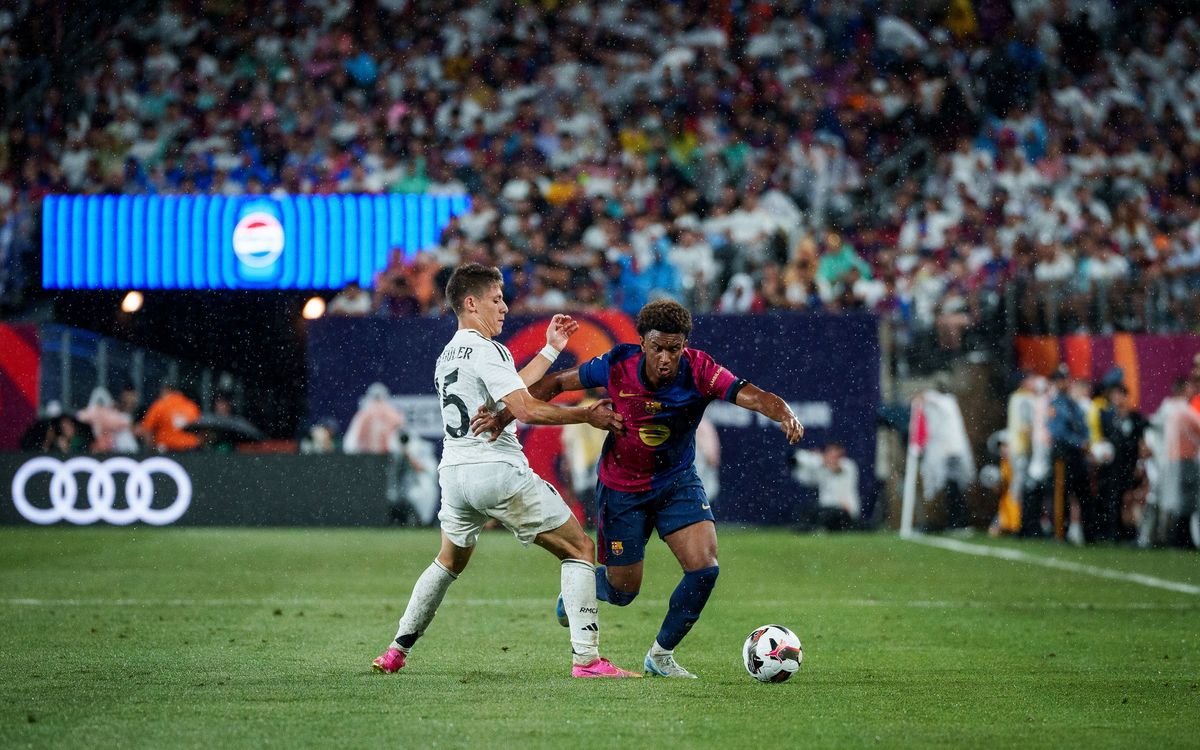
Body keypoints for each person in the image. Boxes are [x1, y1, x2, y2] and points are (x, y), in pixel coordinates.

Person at [473, 299, 804, 678]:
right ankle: (578, 591)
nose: (666, 358)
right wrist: (504, 415)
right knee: (623, 591)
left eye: (674, 349)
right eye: (658, 348)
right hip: (621, 489)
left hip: (677, 482)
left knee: (704, 569)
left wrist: (785, 414)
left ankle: (661, 655)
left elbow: (752, 394)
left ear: (684, 346)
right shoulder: (618, 364)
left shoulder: (700, 370)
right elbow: (558, 382)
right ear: (643, 343)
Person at [372, 263, 637, 679]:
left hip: (456, 475)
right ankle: (587, 660)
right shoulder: (485, 348)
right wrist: (586, 414)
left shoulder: (449, 354)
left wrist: (550, 349)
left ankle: (396, 650)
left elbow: (511, 387)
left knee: (447, 562)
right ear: (471, 302)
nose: (505, 307)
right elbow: (525, 407)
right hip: (497, 468)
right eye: (496, 299)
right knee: (580, 549)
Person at [790, 442, 860, 531]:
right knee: (805, 511)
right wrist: (800, 466)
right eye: (829, 452)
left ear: (841, 452)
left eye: (833, 452)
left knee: (832, 515)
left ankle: (820, 528)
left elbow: (837, 469)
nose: (830, 455)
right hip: (824, 509)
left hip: (845, 510)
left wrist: (818, 459)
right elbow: (804, 479)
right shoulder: (822, 469)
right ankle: (815, 528)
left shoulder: (849, 465)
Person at [136, 380, 200, 452]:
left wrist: (151, 448)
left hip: (168, 449)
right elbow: (200, 429)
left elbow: (147, 429)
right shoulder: (191, 405)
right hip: (190, 448)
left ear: (165, 390)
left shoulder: (160, 404)